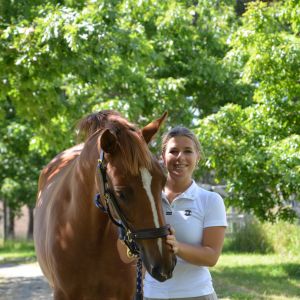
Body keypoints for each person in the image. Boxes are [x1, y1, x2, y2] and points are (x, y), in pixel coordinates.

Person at [143, 126, 227, 300]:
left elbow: (211, 257)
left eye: (188, 151)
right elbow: (130, 255)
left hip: (197, 294)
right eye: (173, 151)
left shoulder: (210, 200)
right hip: (153, 295)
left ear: (198, 157)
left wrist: (177, 247)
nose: (180, 157)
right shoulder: (148, 199)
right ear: (162, 157)